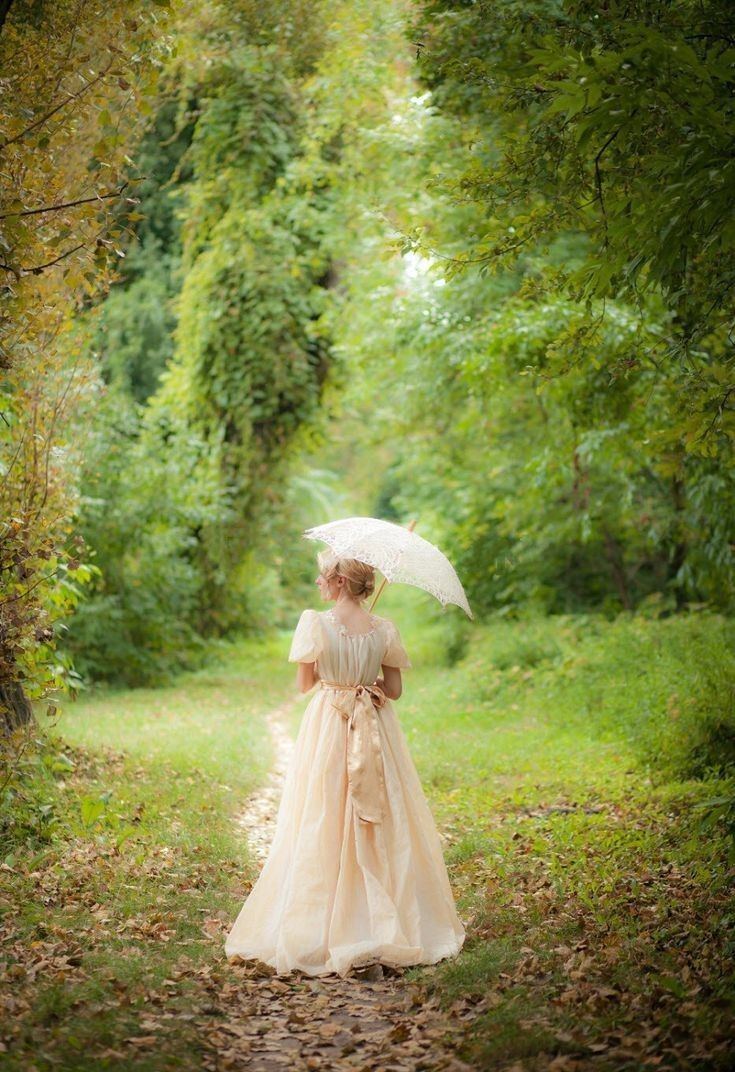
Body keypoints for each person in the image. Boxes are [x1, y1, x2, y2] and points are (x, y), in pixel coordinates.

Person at [224, 550, 466, 977]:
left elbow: (303, 685)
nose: (318, 583)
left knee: (325, 809)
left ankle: (327, 916)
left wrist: (332, 669)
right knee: (378, 814)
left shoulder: (314, 624)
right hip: (374, 725)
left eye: (322, 577)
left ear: (338, 581)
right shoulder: (383, 629)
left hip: (331, 723)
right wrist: (364, 675)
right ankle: (381, 915)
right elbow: (393, 691)